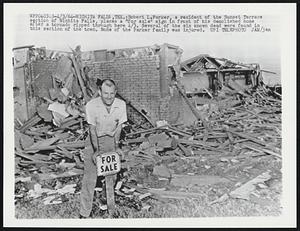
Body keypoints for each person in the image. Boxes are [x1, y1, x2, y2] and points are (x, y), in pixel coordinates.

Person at [80, 78, 127, 218]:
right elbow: (92, 130)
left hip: (110, 138)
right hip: (93, 139)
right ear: (100, 92)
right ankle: (84, 212)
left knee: (111, 174)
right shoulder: (91, 105)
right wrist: (96, 151)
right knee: (90, 176)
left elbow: (119, 127)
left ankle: (108, 204)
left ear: (115, 92)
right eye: (106, 93)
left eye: (112, 93)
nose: (109, 96)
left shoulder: (121, 104)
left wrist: (117, 147)